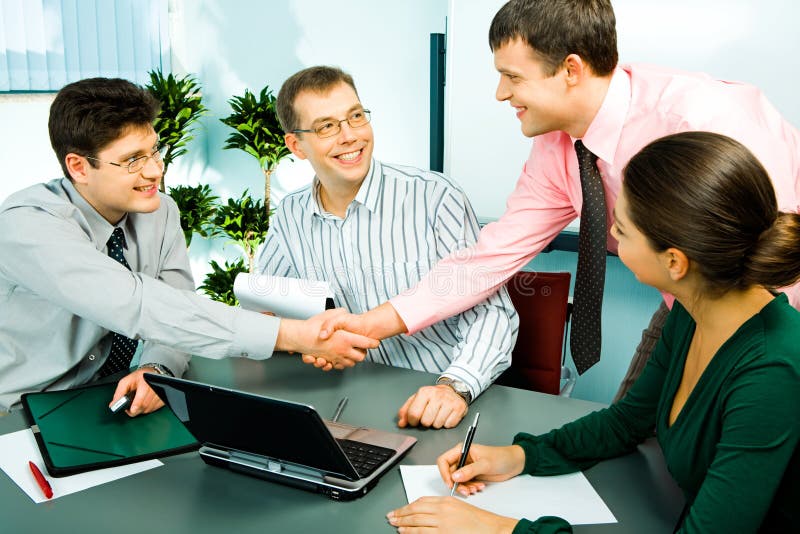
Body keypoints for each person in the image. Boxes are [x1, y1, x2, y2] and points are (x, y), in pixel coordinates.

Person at [315, 0, 800, 401]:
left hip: (773, 312)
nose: (500, 93)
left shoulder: (706, 120)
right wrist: (375, 323)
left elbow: (774, 263)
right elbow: (488, 259)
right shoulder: (558, 147)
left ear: (570, 69)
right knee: (632, 443)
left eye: (513, 77)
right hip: (684, 305)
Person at [387, 132, 800, 533]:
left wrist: (499, 529)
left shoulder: (771, 371)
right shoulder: (697, 307)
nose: (612, 238)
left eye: (622, 229)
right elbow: (626, 422)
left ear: (674, 262)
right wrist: (519, 456)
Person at [0, 77, 378, 416]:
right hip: (18, 413)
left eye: (154, 150)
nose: (155, 170)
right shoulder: (28, 225)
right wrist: (297, 335)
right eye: (133, 160)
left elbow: (179, 305)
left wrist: (156, 367)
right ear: (79, 167)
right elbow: (141, 306)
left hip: (108, 402)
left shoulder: (159, 211)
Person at [255, 66, 519, 429]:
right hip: (344, 403)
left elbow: (492, 315)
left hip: (436, 398)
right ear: (296, 145)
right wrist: (302, 341)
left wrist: (455, 386)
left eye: (356, 116)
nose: (349, 136)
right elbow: (264, 311)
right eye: (327, 126)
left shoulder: (435, 197)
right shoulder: (290, 214)